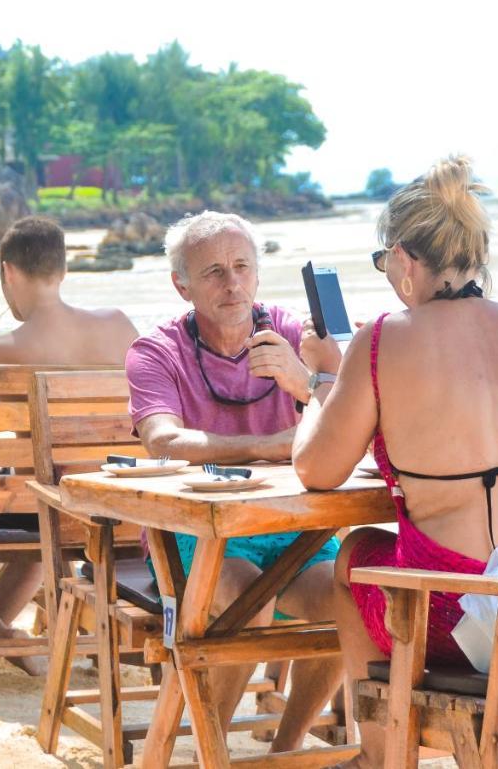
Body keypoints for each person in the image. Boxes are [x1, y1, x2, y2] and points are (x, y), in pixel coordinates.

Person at [291, 155, 498, 766]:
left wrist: (318, 384)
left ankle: (382, 754)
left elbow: (316, 471)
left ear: (405, 259)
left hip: (455, 616)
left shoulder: (383, 338)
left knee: (355, 556)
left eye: (385, 264)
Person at [125, 210, 342, 751]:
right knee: (250, 602)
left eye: (243, 266)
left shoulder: (294, 333)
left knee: (354, 604)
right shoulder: (157, 350)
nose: (233, 283)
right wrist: (267, 449)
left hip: (295, 530)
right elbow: (162, 440)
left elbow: (356, 416)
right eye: (215, 272)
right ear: (182, 285)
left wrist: (309, 379)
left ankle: (285, 748)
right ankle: (213, 751)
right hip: (194, 533)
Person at [0, 217, 138, 662]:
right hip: (111, 505)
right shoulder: (121, 327)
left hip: (43, 506)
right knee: (35, 516)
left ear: (8, 272)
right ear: (63, 270)